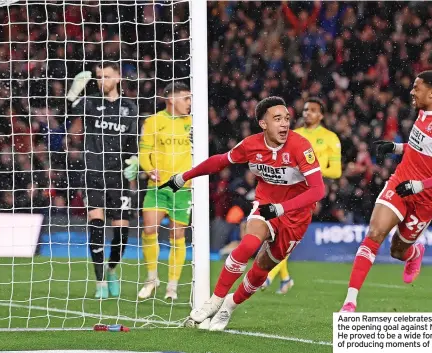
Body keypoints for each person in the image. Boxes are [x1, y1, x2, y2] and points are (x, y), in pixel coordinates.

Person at [160, 96, 325, 331]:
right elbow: (219, 162)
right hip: (266, 204)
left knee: (262, 268)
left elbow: (318, 190)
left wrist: (282, 208)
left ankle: (230, 305)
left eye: (287, 118)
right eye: (277, 119)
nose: (284, 124)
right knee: (248, 244)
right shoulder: (251, 145)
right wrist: (183, 176)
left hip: (296, 215)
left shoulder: (300, 146)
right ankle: (214, 301)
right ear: (263, 123)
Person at [340, 70, 432, 312]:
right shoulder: (422, 111)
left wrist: (421, 185)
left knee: (398, 251)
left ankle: (413, 253)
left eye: (417, 87)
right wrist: (397, 147)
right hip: (400, 183)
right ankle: (350, 301)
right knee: (375, 232)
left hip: (425, 197)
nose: (412, 91)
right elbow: (424, 148)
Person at [67, 62, 139, 299]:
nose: (102, 80)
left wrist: (134, 163)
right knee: (96, 227)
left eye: (107, 76)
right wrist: (72, 92)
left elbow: (132, 144)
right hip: (93, 173)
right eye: (99, 77)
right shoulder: (90, 103)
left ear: (118, 78)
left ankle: (111, 270)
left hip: (117, 177)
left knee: (121, 235)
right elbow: (66, 110)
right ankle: (99, 282)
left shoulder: (130, 108)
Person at [264, 97, 342, 294]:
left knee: (284, 233)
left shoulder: (331, 138)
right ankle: (284, 278)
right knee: (280, 233)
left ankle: (270, 275)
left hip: (309, 192)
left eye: (313, 110)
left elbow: (337, 171)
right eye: (306, 109)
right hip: (286, 187)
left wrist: (313, 170)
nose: (308, 113)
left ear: (321, 115)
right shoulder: (292, 135)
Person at [135, 82, 192, 301]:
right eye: (186, 99)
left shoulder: (193, 123)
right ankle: (151, 279)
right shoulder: (153, 121)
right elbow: (144, 152)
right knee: (149, 230)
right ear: (171, 100)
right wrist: (149, 170)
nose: (189, 103)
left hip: (183, 189)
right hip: (157, 187)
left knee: (177, 236)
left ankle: (172, 286)